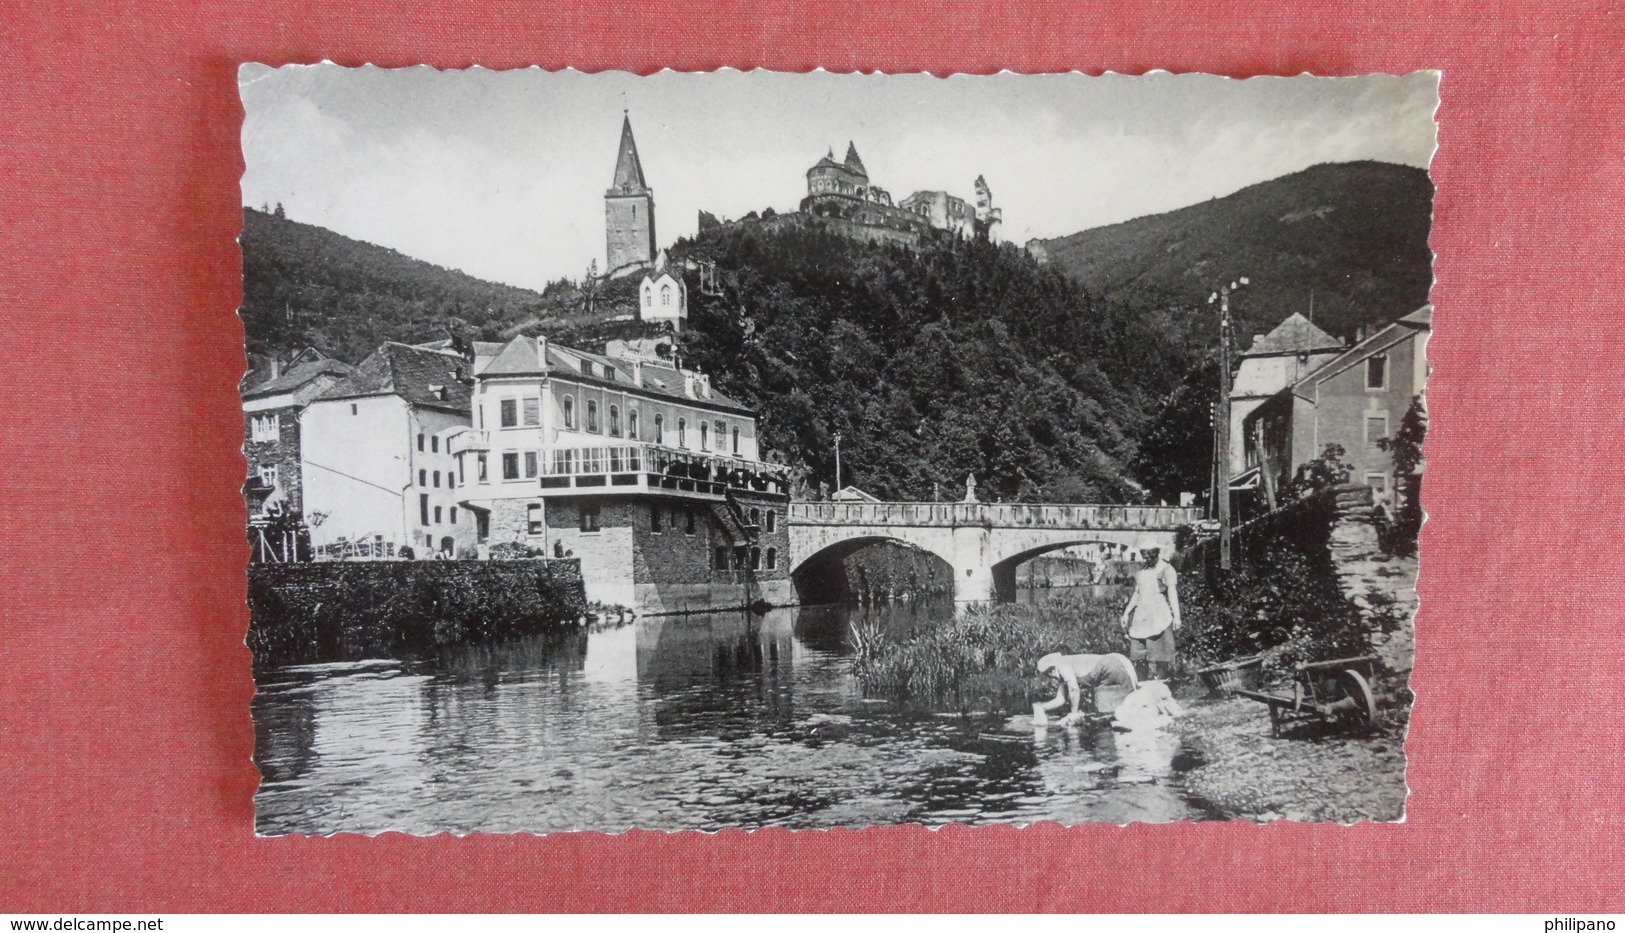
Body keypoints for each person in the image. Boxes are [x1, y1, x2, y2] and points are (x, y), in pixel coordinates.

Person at [1121, 543, 1181, 681]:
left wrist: (1176, 616)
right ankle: (1141, 686)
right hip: (1141, 616)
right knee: (1138, 655)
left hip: (1159, 616)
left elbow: (1172, 592)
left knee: (1161, 656)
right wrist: (1126, 612)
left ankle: (1162, 686)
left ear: (1156, 554)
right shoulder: (1142, 571)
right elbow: (1137, 593)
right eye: (1144, 557)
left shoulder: (1166, 569)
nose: (1146, 560)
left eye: (1149, 557)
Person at [1032, 650, 1139, 726]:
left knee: (1134, 699)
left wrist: (1073, 714)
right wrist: (1042, 707)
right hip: (1103, 674)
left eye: (1048, 673)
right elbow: (1060, 700)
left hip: (1111, 663)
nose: (1050, 676)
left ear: (1052, 669)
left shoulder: (1062, 665)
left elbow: (1074, 690)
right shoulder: (1061, 674)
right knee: (1107, 710)